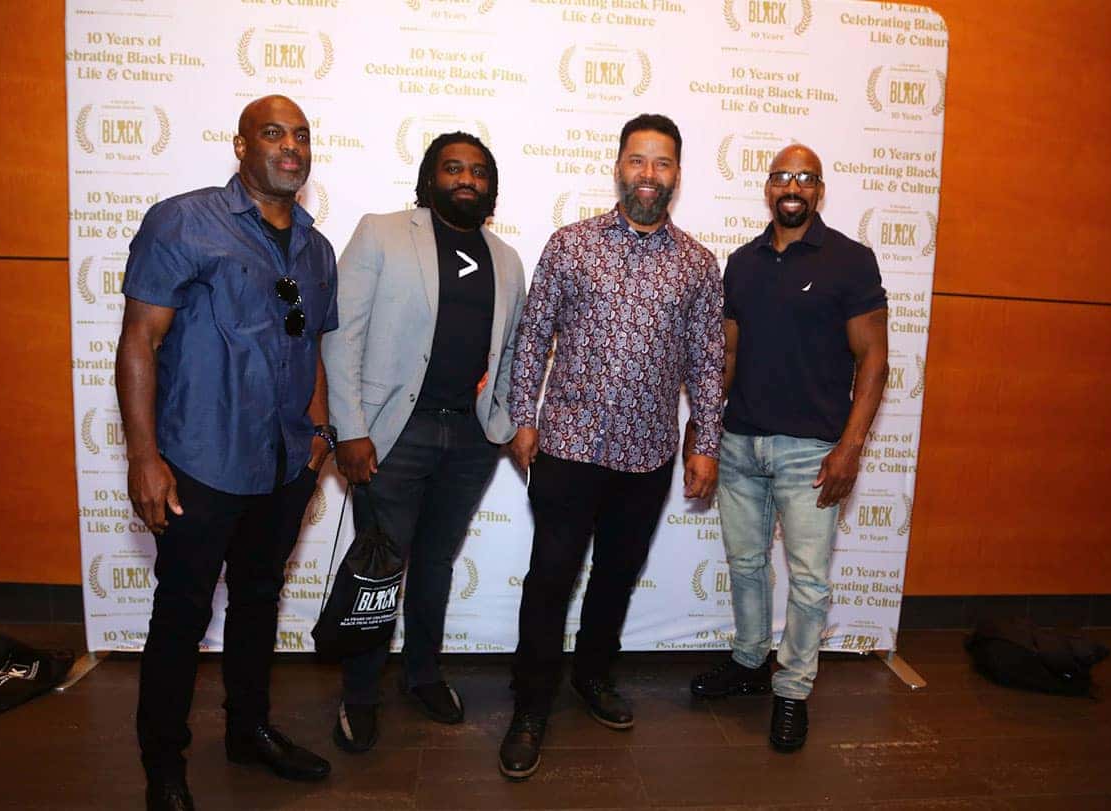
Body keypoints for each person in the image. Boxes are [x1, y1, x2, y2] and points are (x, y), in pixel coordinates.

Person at [116, 95, 337, 811]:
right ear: (240, 145)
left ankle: (249, 731)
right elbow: (139, 341)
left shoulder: (316, 246)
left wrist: (318, 436)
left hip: (282, 464)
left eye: (301, 135)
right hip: (199, 461)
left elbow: (316, 345)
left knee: (257, 602)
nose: (290, 147)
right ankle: (164, 765)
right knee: (181, 613)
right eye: (273, 133)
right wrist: (144, 458)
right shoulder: (182, 220)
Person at [499, 113, 724, 780]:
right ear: (618, 166)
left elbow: (708, 362)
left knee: (616, 579)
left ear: (677, 175)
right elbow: (533, 335)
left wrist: (704, 441)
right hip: (568, 446)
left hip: (648, 455)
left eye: (661, 163)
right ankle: (529, 705)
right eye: (637, 160)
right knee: (549, 580)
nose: (648, 174)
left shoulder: (697, 264)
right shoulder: (571, 245)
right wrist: (522, 416)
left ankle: (591, 677)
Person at [321, 132, 527, 754]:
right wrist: (349, 428)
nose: (466, 179)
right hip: (392, 436)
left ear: (491, 186)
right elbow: (340, 335)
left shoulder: (508, 259)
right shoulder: (382, 233)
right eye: (452, 168)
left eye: (478, 171)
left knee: (435, 563)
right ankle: (359, 693)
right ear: (429, 178)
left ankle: (422, 674)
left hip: (469, 437)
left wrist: (505, 422)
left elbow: (512, 352)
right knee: (379, 563)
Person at [689, 144, 889, 753]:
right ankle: (750, 664)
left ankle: (793, 690)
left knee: (807, 581)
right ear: (768, 187)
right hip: (740, 444)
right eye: (781, 176)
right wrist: (705, 434)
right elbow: (724, 355)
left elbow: (874, 359)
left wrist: (850, 448)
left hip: (812, 454)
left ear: (819, 189)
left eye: (804, 177)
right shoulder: (742, 263)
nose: (792, 186)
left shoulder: (850, 260)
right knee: (747, 567)